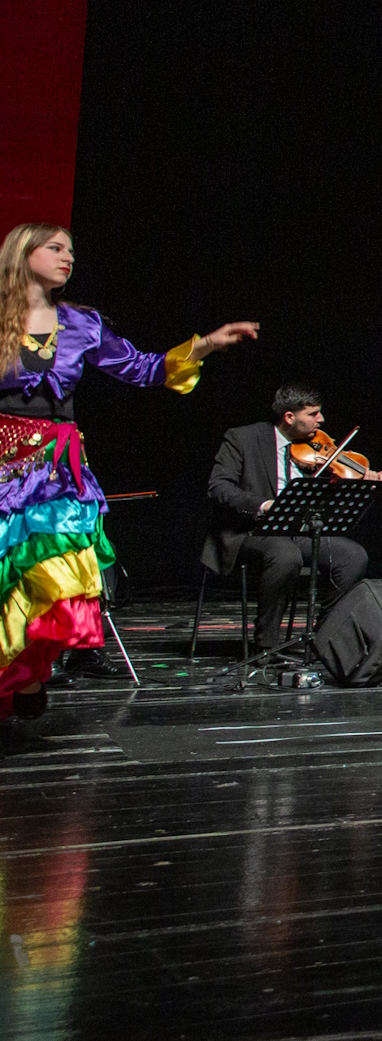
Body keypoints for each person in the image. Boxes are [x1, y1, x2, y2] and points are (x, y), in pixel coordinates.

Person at [1, 223, 255, 717]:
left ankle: (28, 671)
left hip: (55, 472)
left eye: (71, 251)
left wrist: (205, 343)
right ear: (21, 252)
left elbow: (143, 368)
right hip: (3, 461)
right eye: (54, 248)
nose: (67, 257)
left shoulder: (81, 325)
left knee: (55, 577)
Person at [205, 382, 379, 655]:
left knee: (352, 556)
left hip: (297, 532)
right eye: (313, 414)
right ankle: (267, 645)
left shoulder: (312, 450)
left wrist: (351, 481)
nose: (320, 420)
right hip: (251, 532)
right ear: (289, 417)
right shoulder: (242, 438)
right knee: (285, 555)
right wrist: (264, 505)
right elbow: (219, 488)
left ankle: (324, 637)